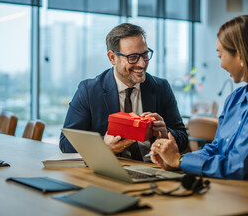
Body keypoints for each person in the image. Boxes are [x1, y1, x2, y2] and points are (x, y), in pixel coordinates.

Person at [150, 15, 248, 186]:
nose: (221, 64)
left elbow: (239, 166)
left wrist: (179, 160)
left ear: (240, 55)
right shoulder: (235, 99)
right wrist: (177, 160)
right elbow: (215, 149)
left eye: (220, 55)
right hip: (232, 189)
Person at [59, 23, 188, 161]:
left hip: (154, 168)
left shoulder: (161, 87)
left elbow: (183, 139)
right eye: (133, 57)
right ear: (112, 58)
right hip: (111, 169)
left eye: (145, 55)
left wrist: (165, 134)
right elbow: (66, 143)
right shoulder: (89, 90)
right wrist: (103, 146)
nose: (142, 64)